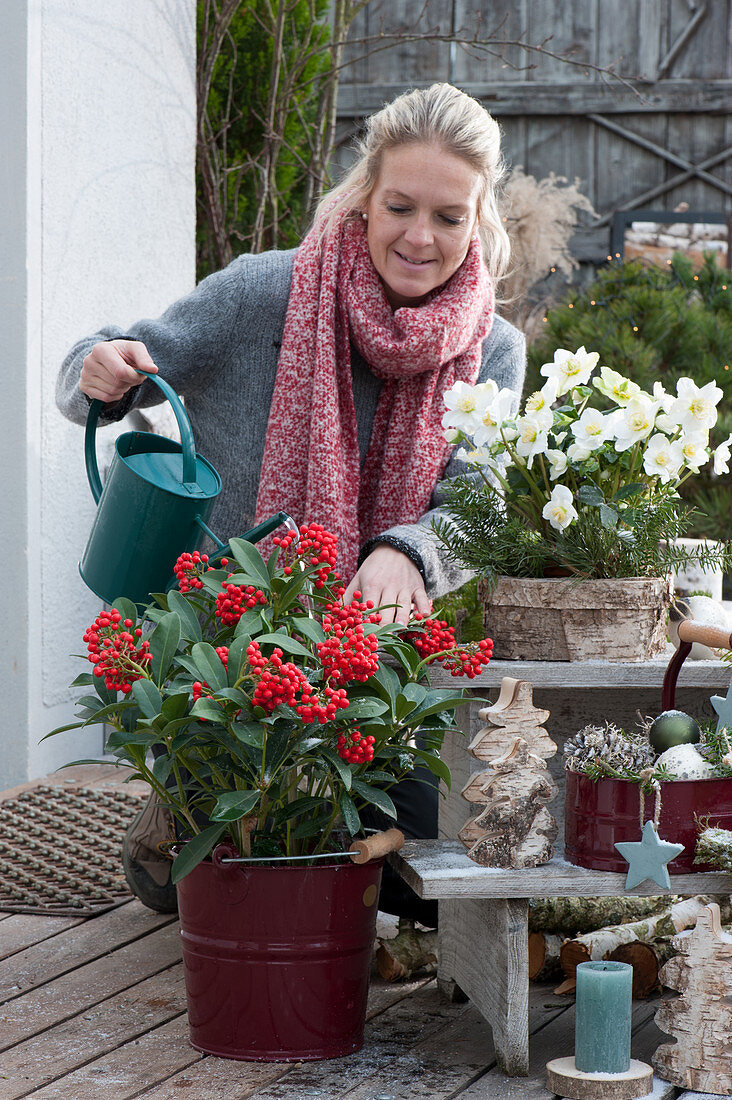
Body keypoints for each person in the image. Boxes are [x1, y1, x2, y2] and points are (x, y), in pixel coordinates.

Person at [57, 83, 526, 923]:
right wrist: (99, 368)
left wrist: (407, 551)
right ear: (364, 196)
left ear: (479, 219)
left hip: (374, 654)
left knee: (412, 896)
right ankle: (177, 810)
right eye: (400, 206)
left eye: (449, 217)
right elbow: (108, 365)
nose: (420, 237)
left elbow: (478, 507)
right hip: (233, 645)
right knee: (204, 887)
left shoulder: (493, 348)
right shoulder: (266, 293)